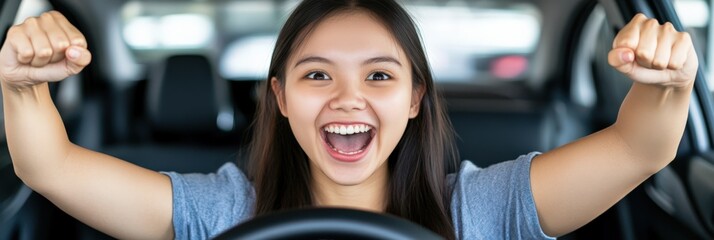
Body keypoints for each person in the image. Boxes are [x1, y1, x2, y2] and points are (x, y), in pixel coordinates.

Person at [0, 0, 698, 239]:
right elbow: (48, 167)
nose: (347, 98)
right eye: (315, 76)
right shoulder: (222, 211)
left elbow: (641, 146)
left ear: (417, 97)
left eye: (380, 76)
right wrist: (22, 85)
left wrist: (671, 80)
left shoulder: (484, 208)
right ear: (277, 97)